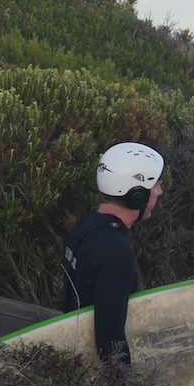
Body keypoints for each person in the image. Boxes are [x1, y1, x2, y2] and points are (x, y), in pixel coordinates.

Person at [62, 142, 164, 367]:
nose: (160, 192)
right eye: (156, 185)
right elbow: (110, 343)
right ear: (137, 195)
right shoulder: (114, 253)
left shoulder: (84, 227)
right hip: (91, 376)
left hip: (71, 359)